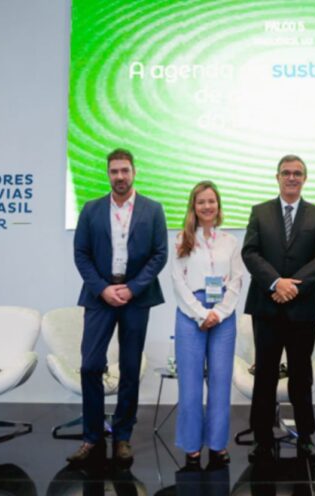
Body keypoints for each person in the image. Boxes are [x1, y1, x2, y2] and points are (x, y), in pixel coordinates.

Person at [71, 148, 168, 464]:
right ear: (108, 173)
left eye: (125, 170)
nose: (120, 176)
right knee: (90, 365)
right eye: (114, 171)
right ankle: (92, 437)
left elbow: (159, 254)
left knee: (129, 368)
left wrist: (132, 288)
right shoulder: (91, 209)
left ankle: (123, 436)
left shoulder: (153, 209)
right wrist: (103, 289)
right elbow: (81, 254)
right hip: (100, 297)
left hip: (136, 298)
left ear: (134, 172)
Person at [242, 154, 315, 462]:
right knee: (265, 375)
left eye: (297, 173)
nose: (292, 177)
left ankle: (305, 435)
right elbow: (250, 253)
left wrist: (292, 285)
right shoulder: (260, 212)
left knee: (300, 374)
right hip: (266, 307)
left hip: (302, 308)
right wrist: (275, 283)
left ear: (304, 178)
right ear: (277, 177)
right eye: (286, 173)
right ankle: (262, 438)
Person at [171, 181, 243, 469]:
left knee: (220, 383)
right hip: (191, 316)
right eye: (201, 202)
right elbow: (178, 282)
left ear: (218, 205)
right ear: (194, 206)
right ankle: (191, 447)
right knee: (189, 386)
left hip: (223, 316)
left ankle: (216, 444)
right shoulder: (182, 239)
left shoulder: (230, 241)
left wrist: (220, 313)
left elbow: (237, 280)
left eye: (211, 201)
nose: (207, 206)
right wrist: (202, 314)